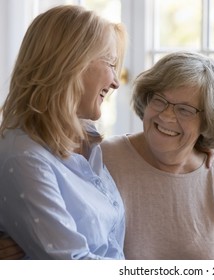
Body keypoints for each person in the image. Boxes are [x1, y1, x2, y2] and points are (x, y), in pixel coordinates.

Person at [101, 51, 214, 260]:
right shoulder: (104, 159)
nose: (166, 115)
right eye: (159, 100)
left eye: (185, 110)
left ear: (208, 122)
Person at [0, 5, 127, 259]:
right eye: (111, 63)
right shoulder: (25, 158)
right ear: (71, 63)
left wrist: (197, 151)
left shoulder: (86, 139)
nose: (115, 81)